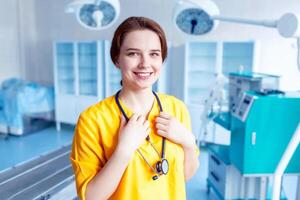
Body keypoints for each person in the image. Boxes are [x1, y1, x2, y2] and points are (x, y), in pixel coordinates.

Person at [70, 16, 200, 200]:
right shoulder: (93, 120)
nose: (145, 63)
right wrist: (124, 150)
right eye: (133, 53)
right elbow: (91, 197)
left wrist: (188, 141)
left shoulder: (176, 108)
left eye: (154, 54)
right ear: (117, 59)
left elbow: (183, 177)